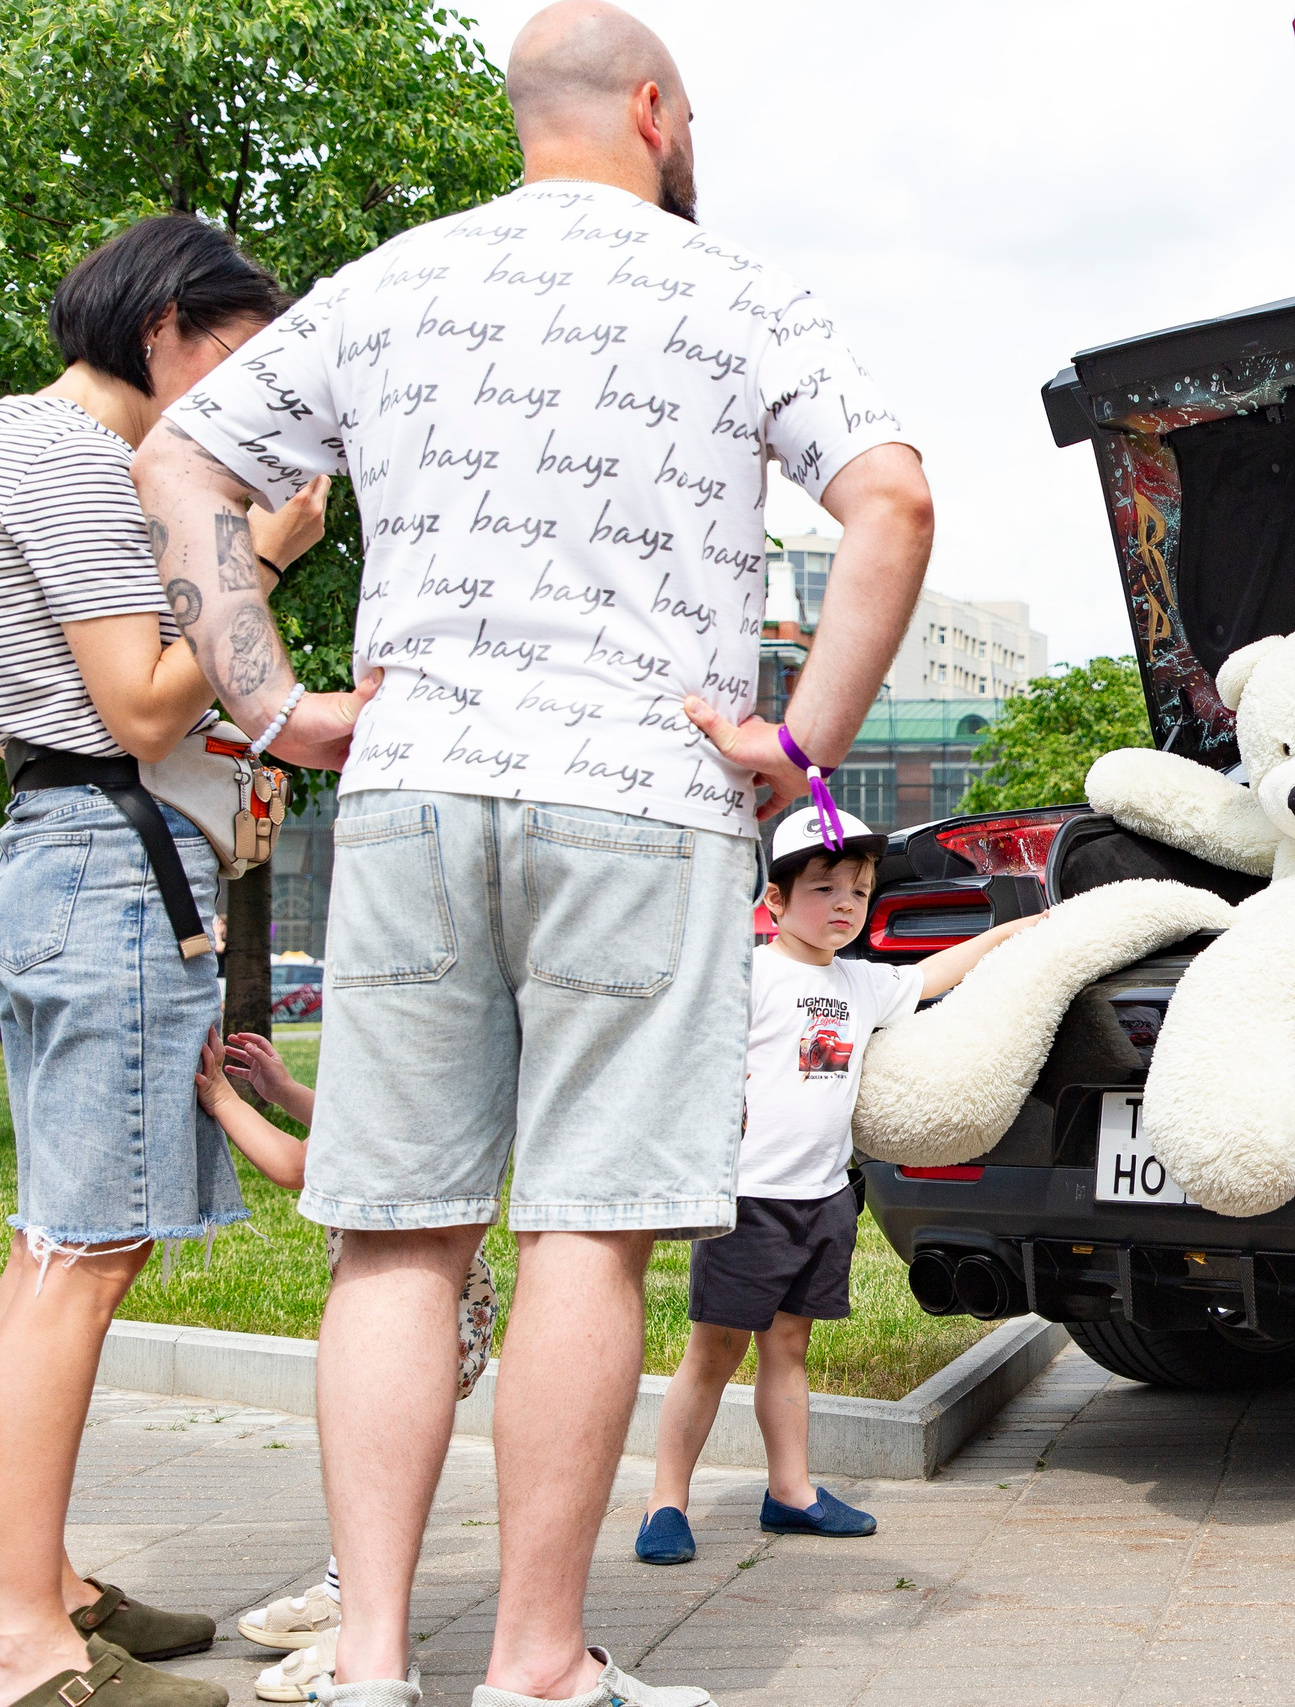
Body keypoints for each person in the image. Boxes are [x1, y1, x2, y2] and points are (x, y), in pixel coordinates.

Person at [129, 3, 932, 1701]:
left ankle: (365, 1662)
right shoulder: (739, 292)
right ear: (653, 110)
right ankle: (538, 1664)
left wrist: (270, 699)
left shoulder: (394, 282)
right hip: (642, 800)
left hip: (418, 789)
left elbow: (178, 449)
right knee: (588, 1232)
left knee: (395, 1235)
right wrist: (799, 745)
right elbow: (893, 501)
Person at [0, 214, 328, 1707]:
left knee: (52, 1245)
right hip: (106, 858)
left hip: (80, 857)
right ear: (171, 327)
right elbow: (141, 699)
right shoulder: (68, 453)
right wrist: (253, 553)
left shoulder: (54, 450)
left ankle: (44, 1576)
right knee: (83, 1252)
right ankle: (28, 1638)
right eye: (246, 356)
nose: (253, 401)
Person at [637, 808, 1040, 1563]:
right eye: (825, 888)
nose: (846, 903)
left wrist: (1018, 934)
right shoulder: (752, 972)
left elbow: (936, 974)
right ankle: (666, 1502)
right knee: (713, 1351)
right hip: (747, 1198)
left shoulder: (859, 983)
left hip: (823, 1198)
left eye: (859, 889)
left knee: (789, 1345)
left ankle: (790, 1491)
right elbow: (689, 1051)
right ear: (777, 902)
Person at [194, 1032, 498, 1703]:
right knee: (375, 1466)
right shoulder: (421, 1089)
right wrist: (284, 1093)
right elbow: (346, 1125)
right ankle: (342, 1594)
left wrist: (221, 1097)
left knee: (376, 1461)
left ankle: (355, 1616)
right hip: (453, 1301)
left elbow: (293, 1163)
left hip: (423, 1321)